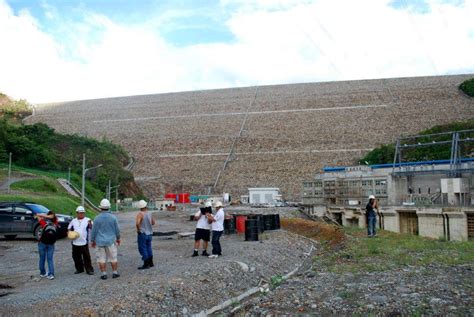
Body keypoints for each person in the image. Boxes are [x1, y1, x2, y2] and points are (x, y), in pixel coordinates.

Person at [90, 199, 121, 280]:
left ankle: (104, 274)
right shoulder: (113, 218)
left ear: (100, 208)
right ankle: (114, 273)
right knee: (113, 258)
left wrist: (92, 240)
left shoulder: (97, 218)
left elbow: (94, 231)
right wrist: (118, 238)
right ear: (109, 207)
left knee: (101, 259)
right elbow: (117, 230)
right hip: (110, 241)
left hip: (99, 242)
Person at [68, 206, 94, 275]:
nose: (81, 214)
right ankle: (79, 269)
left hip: (84, 242)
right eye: (80, 213)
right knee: (76, 257)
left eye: (82, 213)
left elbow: (92, 228)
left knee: (87, 257)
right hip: (75, 242)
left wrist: (90, 224)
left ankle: (89, 270)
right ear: (77, 213)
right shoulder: (73, 221)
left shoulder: (88, 220)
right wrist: (70, 234)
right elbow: (69, 229)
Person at [36, 211, 58, 280]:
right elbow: (54, 216)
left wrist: (41, 215)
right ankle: (51, 274)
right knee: (50, 259)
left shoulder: (44, 223)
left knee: (42, 258)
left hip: (42, 242)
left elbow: (37, 216)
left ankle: (42, 273)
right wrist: (47, 216)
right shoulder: (55, 223)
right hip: (51, 244)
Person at [135, 200, 155, 269]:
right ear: (146, 205)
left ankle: (146, 264)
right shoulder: (150, 213)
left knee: (143, 248)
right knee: (149, 247)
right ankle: (151, 262)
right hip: (150, 233)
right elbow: (153, 223)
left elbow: (137, 223)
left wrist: (138, 230)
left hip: (143, 233)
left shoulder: (140, 214)